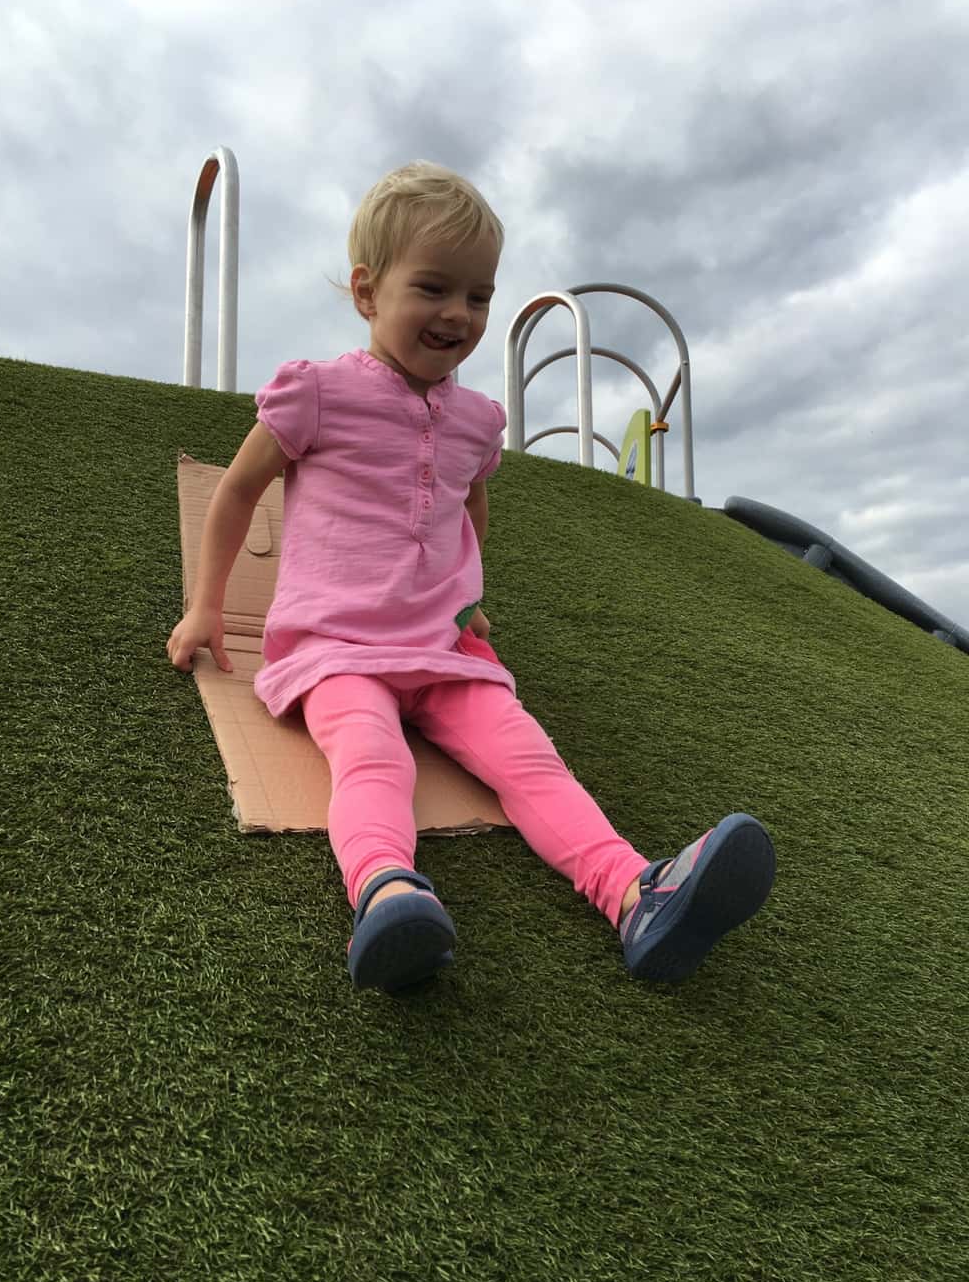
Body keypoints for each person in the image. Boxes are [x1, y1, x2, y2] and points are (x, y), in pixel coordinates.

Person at [166, 161, 776, 994]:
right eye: (433, 287)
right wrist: (205, 605)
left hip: (440, 647)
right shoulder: (319, 393)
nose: (459, 314)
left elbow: (470, 506)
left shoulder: (476, 420)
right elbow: (238, 491)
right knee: (375, 758)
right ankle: (386, 893)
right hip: (336, 647)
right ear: (367, 292)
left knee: (531, 760)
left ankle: (637, 895)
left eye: (480, 296)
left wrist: (470, 598)